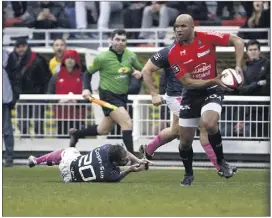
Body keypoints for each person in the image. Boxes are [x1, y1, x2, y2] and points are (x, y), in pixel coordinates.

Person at [167, 14, 244, 186]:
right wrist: (214, 79)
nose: (178, 29)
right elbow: (187, 82)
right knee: (185, 141)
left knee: (209, 124)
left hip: (212, 90)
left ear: (192, 27)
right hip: (191, 93)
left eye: (183, 26)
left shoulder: (207, 37)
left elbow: (238, 41)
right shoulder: (174, 53)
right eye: (176, 26)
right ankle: (188, 173)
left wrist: (238, 67)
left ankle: (221, 162)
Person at [140, 43, 227, 174]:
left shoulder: (199, 49)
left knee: (175, 130)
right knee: (204, 126)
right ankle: (220, 166)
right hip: (176, 97)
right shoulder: (167, 52)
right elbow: (146, 70)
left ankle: (148, 149)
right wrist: (153, 94)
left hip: (193, 95)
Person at [68, 29, 143, 154]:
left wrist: (136, 72)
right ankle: (132, 157)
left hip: (122, 97)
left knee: (103, 129)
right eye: (117, 39)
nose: (120, 43)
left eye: (123, 40)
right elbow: (87, 74)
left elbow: (141, 71)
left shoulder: (131, 56)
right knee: (127, 123)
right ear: (111, 40)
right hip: (108, 96)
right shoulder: (102, 57)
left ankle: (76, 134)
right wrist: (86, 88)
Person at [27, 144, 151, 183]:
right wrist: (131, 169)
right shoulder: (110, 175)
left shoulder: (105, 149)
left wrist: (138, 160)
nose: (127, 160)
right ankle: (48, 161)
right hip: (69, 179)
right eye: (124, 159)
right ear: (114, 161)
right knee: (72, 151)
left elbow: (122, 152)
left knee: (69, 151)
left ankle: (36, 160)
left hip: (69, 164)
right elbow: (118, 176)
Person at [6, 38, 51, 137]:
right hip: (21, 96)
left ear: (27, 46)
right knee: (22, 122)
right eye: (18, 47)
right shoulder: (11, 59)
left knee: (38, 122)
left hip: (38, 96)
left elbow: (47, 78)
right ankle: (24, 140)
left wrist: (46, 96)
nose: (21, 49)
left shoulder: (38, 59)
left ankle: (40, 146)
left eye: (23, 46)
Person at [47, 49, 91, 137]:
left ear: (76, 60)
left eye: (72, 58)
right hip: (61, 115)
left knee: (79, 140)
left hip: (78, 115)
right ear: (64, 60)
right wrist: (59, 102)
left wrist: (77, 102)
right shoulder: (56, 77)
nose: (69, 60)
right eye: (67, 58)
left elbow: (89, 97)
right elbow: (49, 94)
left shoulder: (83, 77)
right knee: (62, 140)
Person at [3, 50, 16, 167]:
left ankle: (9, 157)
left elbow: (14, 77)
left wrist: (14, 97)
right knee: (7, 130)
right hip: (5, 98)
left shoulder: (7, 55)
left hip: (4, 99)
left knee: (7, 130)